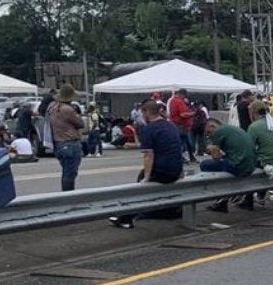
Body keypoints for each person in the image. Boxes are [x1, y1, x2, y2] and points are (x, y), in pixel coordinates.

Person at [110, 100, 184, 229]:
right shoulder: (170, 126)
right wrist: (180, 171)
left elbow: (148, 155)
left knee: (141, 185)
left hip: (162, 171)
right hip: (175, 170)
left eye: (142, 112)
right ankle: (165, 210)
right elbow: (178, 149)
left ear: (147, 112)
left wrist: (147, 177)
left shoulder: (149, 129)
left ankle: (127, 218)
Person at [200, 117, 258, 212]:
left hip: (238, 165)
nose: (209, 136)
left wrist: (210, 149)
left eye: (208, 133)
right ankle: (247, 199)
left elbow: (216, 157)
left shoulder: (218, 132)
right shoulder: (231, 128)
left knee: (204, 165)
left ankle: (221, 200)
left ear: (211, 126)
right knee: (223, 163)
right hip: (251, 164)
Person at [247, 100, 273, 208]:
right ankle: (260, 195)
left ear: (253, 112)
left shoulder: (254, 126)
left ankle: (247, 199)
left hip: (268, 162)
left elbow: (248, 148)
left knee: (245, 163)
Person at [48, 85, 85, 191]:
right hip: (70, 142)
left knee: (66, 171)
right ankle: (68, 196)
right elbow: (80, 124)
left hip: (59, 143)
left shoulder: (53, 108)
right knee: (70, 173)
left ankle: (66, 193)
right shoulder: (68, 109)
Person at [167, 88, 197, 163]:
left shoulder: (172, 101)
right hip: (180, 125)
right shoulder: (179, 101)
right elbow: (183, 114)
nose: (185, 97)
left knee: (185, 142)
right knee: (182, 142)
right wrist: (192, 113)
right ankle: (181, 158)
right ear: (181, 94)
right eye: (184, 96)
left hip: (177, 124)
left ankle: (189, 157)